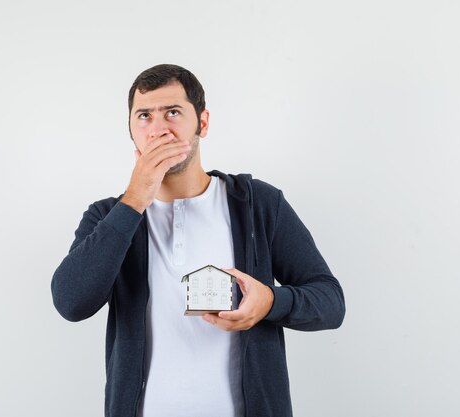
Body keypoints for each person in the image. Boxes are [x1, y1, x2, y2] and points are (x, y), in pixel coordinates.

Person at [51, 64, 345, 417]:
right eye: (144, 116)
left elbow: (330, 301)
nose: (158, 130)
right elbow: (71, 302)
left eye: (172, 113)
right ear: (131, 130)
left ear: (202, 123)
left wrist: (270, 302)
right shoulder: (107, 216)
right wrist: (134, 201)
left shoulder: (258, 204)